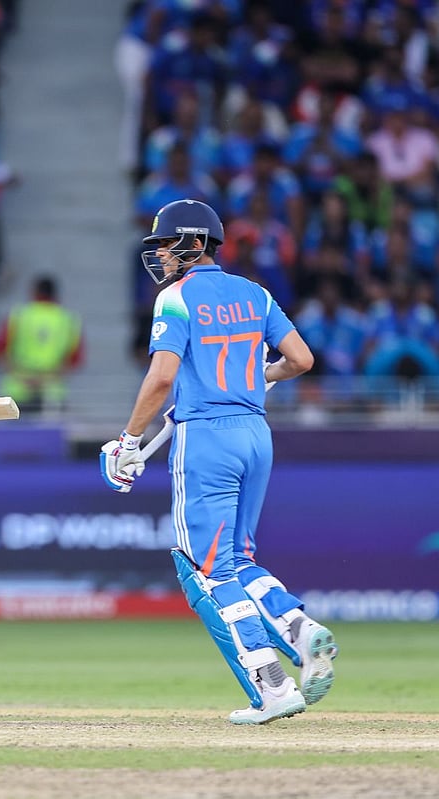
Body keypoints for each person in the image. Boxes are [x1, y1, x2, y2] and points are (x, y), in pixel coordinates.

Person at [101, 198, 338, 725]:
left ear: (192, 243)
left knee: (206, 571)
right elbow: (301, 360)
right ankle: (299, 629)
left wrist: (128, 439)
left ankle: (271, 685)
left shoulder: (175, 297)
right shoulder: (255, 293)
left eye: (166, 244)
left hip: (206, 439)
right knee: (238, 559)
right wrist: (257, 377)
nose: (160, 254)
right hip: (255, 434)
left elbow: (162, 377)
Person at [0, 275, 83, 414]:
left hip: (20, 387)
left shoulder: (19, 315)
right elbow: (75, 359)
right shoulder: (67, 319)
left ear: (34, 291)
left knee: (16, 427)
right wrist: (47, 379)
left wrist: (21, 375)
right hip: (52, 390)